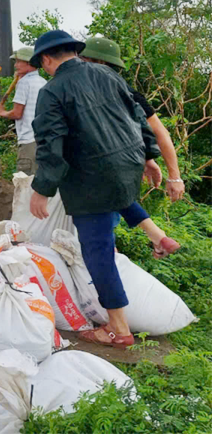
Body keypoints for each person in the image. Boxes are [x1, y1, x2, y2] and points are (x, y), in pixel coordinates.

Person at [28, 30, 161, 349]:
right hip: (127, 165)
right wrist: (149, 157)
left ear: (47, 59)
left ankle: (117, 328)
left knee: (97, 251)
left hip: (91, 177)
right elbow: (137, 116)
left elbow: (50, 144)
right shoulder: (107, 74)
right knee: (120, 201)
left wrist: (41, 189)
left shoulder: (53, 90)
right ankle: (157, 235)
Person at [80, 35, 181, 258]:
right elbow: (156, 131)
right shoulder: (126, 92)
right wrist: (158, 165)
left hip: (93, 171)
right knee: (109, 218)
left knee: (97, 236)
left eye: (83, 60)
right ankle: (155, 236)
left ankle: (114, 254)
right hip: (125, 166)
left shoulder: (75, 92)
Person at [0, 47, 46, 174]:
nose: (16, 65)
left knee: (25, 182)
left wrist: (1, 112)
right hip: (42, 139)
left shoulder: (24, 83)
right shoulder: (43, 82)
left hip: (28, 140)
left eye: (18, 61)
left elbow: (17, 113)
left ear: (28, 62)